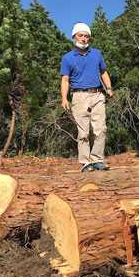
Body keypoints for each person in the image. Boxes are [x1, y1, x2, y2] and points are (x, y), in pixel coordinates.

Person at [60, 22, 113, 172]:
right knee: (83, 132)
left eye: (86, 36)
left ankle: (97, 160)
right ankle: (85, 162)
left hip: (97, 95)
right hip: (78, 96)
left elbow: (104, 72)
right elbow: (65, 79)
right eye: (80, 35)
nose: (83, 38)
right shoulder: (67, 58)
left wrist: (108, 88)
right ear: (74, 37)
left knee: (100, 129)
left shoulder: (96, 53)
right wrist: (64, 98)